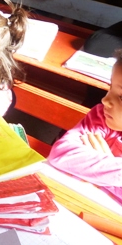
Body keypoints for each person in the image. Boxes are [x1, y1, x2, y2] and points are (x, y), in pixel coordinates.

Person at [48, 51, 122, 204]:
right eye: (110, 87)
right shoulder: (101, 115)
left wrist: (98, 167)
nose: (105, 100)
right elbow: (61, 154)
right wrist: (112, 170)